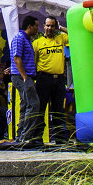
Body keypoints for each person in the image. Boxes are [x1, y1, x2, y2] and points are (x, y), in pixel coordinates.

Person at [32, 16, 71, 144]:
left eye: (52, 26)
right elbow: (33, 61)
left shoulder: (61, 38)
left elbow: (73, 34)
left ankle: (60, 139)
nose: (49, 28)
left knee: (58, 110)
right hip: (43, 79)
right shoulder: (37, 43)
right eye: (47, 25)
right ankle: (38, 138)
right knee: (41, 109)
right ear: (44, 26)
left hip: (59, 79)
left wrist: (61, 28)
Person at [10, 15, 41, 144]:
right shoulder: (19, 38)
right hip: (22, 76)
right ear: (29, 26)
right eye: (36, 26)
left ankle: (21, 135)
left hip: (25, 76)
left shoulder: (27, 39)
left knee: (25, 105)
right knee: (34, 104)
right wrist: (24, 76)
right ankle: (26, 136)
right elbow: (17, 58)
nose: (37, 29)